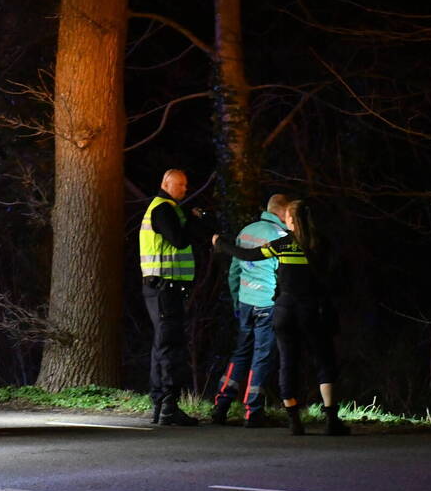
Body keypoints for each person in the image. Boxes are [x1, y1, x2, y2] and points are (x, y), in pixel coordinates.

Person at [212, 199, 350, 436]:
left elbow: (248, 254)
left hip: (284, 310)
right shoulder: (321, 244)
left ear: (291, 221)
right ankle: (331, 418)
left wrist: (221, 244)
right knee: (323, 360)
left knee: (287, 362)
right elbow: (334, 277)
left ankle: (294, 420)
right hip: (311, 309)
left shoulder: (283, 243)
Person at [210, 194, 290, 428]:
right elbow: (283, 276)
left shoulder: (246, 231)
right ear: (283, 213)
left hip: (245, 301)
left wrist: (237, 300)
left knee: (240, 353)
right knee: (262, 355)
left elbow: (234, 270)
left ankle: (221, 404)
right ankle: (252, 410)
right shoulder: (281, 238)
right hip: (267, 303)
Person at [140, 169, 210, 426]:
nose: (185, 189)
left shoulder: (163, 208)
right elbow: (179, 240)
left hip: (161, 287)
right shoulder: (164, 209)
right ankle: (168, 404)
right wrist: (192, 219)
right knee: (170, 345)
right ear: (166, 184)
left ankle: (161, 404)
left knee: (163, 344)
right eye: (181, 185)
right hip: (164, 288)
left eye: (186, 185)